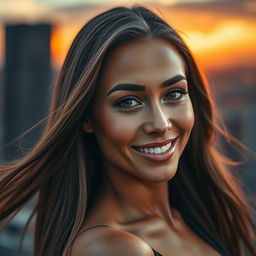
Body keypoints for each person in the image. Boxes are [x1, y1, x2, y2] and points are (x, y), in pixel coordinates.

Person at [0, 5, 255, 256]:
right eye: (128, 101)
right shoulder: (113, 248)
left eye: (174, 93)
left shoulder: (202, 216)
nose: (160, 124)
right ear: (87, 117)